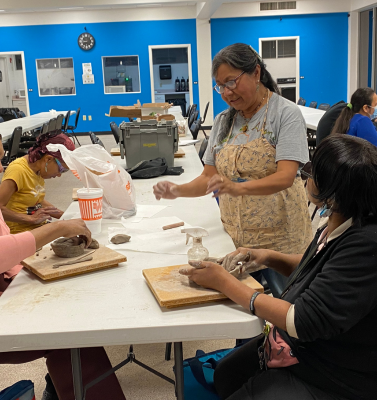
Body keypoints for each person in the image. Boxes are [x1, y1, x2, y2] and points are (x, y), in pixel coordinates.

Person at [180, 134, 377, 400]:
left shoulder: (366, 245)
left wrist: (225, 283)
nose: (306, 177)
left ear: (332, 191)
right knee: (226, 374)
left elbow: (301, 320)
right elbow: (321, 267)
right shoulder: (343, 218)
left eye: (311, 172)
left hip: (333, 373)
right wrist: (267, 257)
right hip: (304, 348)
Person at [0, 121, 126, 400]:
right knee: (65, 332)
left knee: (67, 311)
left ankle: (62, 390)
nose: (0, 166)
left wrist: (37, 278)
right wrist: (54, 229)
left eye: (1, 156)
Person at [153, 43, 312, 296]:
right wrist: (177, 190)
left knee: (284, 310)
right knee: (243, 308)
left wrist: (238, 187)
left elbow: (286, 176)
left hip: (281, 239)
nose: (226, 92)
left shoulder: (285, 114)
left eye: (231, 82)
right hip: (236, 238)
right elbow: (209, 176)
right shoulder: (223, 122)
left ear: (256, 73)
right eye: (220, 86)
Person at [0, 130, 75, 234]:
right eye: (62, 169)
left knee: (77, 231)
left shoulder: (38, 169)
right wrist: (30, 219)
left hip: (35, 227)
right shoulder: (18, 170)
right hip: (19, 232)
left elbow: (37, 199)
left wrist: (65, 216)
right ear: (48, 159)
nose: (59, 175)